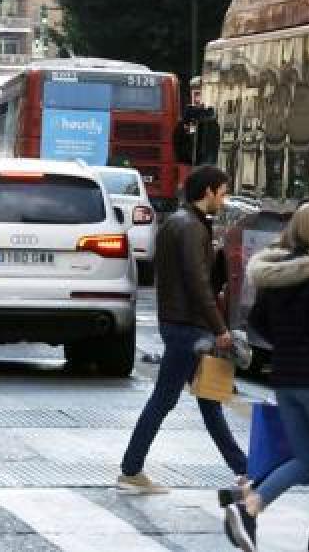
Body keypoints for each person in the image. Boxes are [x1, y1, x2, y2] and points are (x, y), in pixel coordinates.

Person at [221, 202, 309, 552]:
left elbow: (259, 322)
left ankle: (250, 506)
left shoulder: (278, 274)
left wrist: (288, 343)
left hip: (284, 379)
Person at [118, 165, 249, 494]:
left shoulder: (184, 223)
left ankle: (244, 469)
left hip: (181, 323)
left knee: (207, 400)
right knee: (168, 400)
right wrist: (219, 328)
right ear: (208, 192)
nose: (225, 198)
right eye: (223, 192)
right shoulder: (190, 227)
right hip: (187, 327)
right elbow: (197, 284)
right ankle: (131, 470)